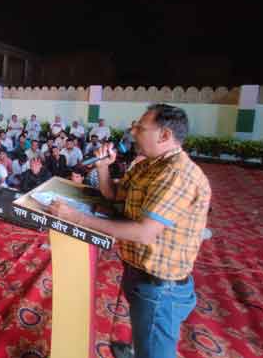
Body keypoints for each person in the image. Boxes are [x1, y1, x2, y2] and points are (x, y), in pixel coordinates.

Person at [51, 104, 211, 358]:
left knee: (154, 347)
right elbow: (114, 195)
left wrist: (76, 218)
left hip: (160, 286)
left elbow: (144, 233)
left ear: (165, 135)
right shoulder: (147, 164)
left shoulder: (177, 174)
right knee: (144, 330)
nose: (132, 132)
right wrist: (103, 167)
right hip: (139, 272)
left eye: (140, 128)